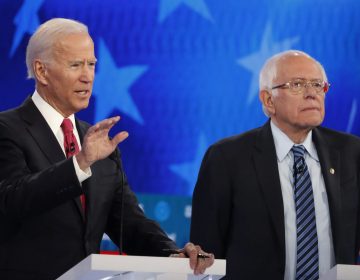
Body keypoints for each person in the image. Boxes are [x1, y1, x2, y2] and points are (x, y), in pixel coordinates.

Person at [0, 18, 214, 280]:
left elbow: (128, 222)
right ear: (42, 71)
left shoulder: (97, 141)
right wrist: (79, 164)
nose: (87, 76)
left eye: (91, 64)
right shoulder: (7, 129)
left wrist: (173, 255)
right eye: (75, 65)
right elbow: (12, 200)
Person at [190, 50, 360, 279]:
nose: (312, 94)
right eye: (297, 84)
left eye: (318, 85)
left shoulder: (352, 153)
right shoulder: (226, 158)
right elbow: (204, 257)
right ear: (268, 100)